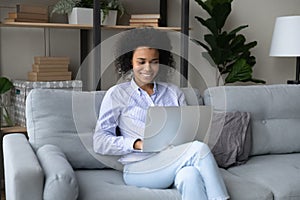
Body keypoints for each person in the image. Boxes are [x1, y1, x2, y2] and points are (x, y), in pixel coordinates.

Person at [93, 28, 229, 200]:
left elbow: (186, 134)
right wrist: (137, 143)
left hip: (173, 161)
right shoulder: (117, 94)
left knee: (190, 175)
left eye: (154, 62)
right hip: (138, 168)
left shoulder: (174, 93)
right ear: (130, 62)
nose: (148, 68)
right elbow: (99, 142)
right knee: (198, 148)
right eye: (141, 62)